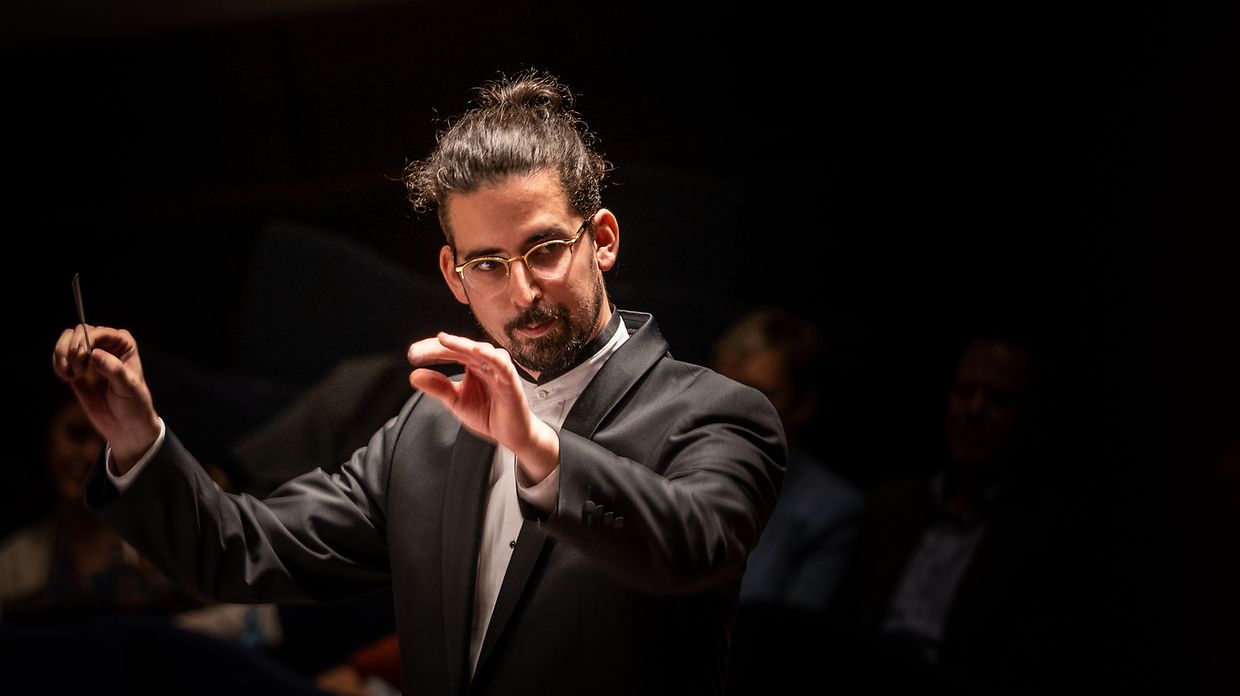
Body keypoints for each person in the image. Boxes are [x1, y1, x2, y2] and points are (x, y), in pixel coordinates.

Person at [52, 69, 785, 695]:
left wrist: (535, 447)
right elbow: (240, 549)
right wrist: (135, 435)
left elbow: (694, 547)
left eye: (546, 249)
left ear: (602, 239)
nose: (522, 290)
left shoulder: (717, 414)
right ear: (454, 278)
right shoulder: (429, 432)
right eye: (488, 264)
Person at [710, 307, 865, 694]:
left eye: (760, 395)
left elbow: (787, 643)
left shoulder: (831, 511)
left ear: (804, 404)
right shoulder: (672, 466)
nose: (733, 408)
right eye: (726, 387)